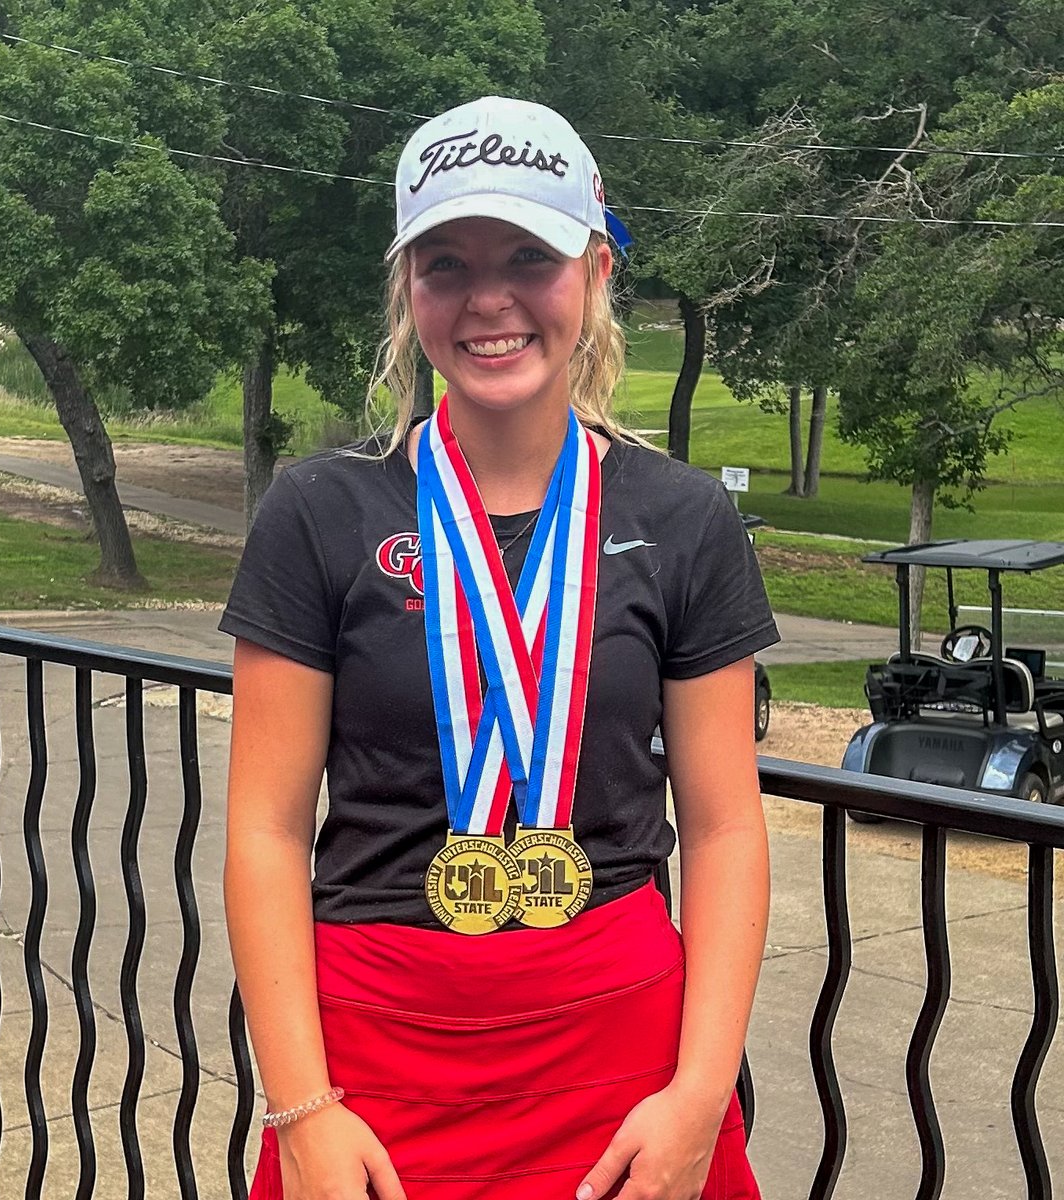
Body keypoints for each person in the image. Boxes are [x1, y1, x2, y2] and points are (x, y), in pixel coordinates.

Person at [221, 95, 778, 1200]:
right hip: (372, 1067)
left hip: (623, 1067)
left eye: (530, 255)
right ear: (407, 291)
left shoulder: (682, 517)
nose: (489, 299)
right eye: (445, 264)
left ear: (598, 271)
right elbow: (266, 830)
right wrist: (302, 1112)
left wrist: (698, 1100)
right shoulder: (319, 512)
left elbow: (724, 830)